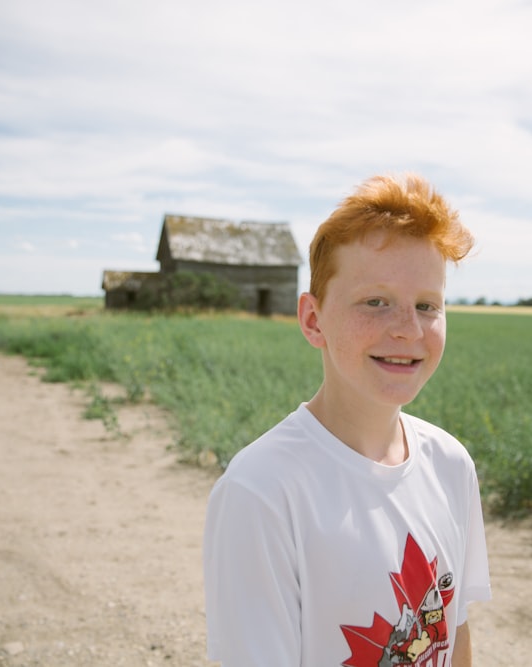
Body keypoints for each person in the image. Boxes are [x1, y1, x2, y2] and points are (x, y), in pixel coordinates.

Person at [203, 174, 492, 666]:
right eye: (375, 302)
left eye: (427, 305)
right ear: (313, 320)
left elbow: (454, 629)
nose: (408, 328)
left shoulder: (450, 465)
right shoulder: (263, 491)